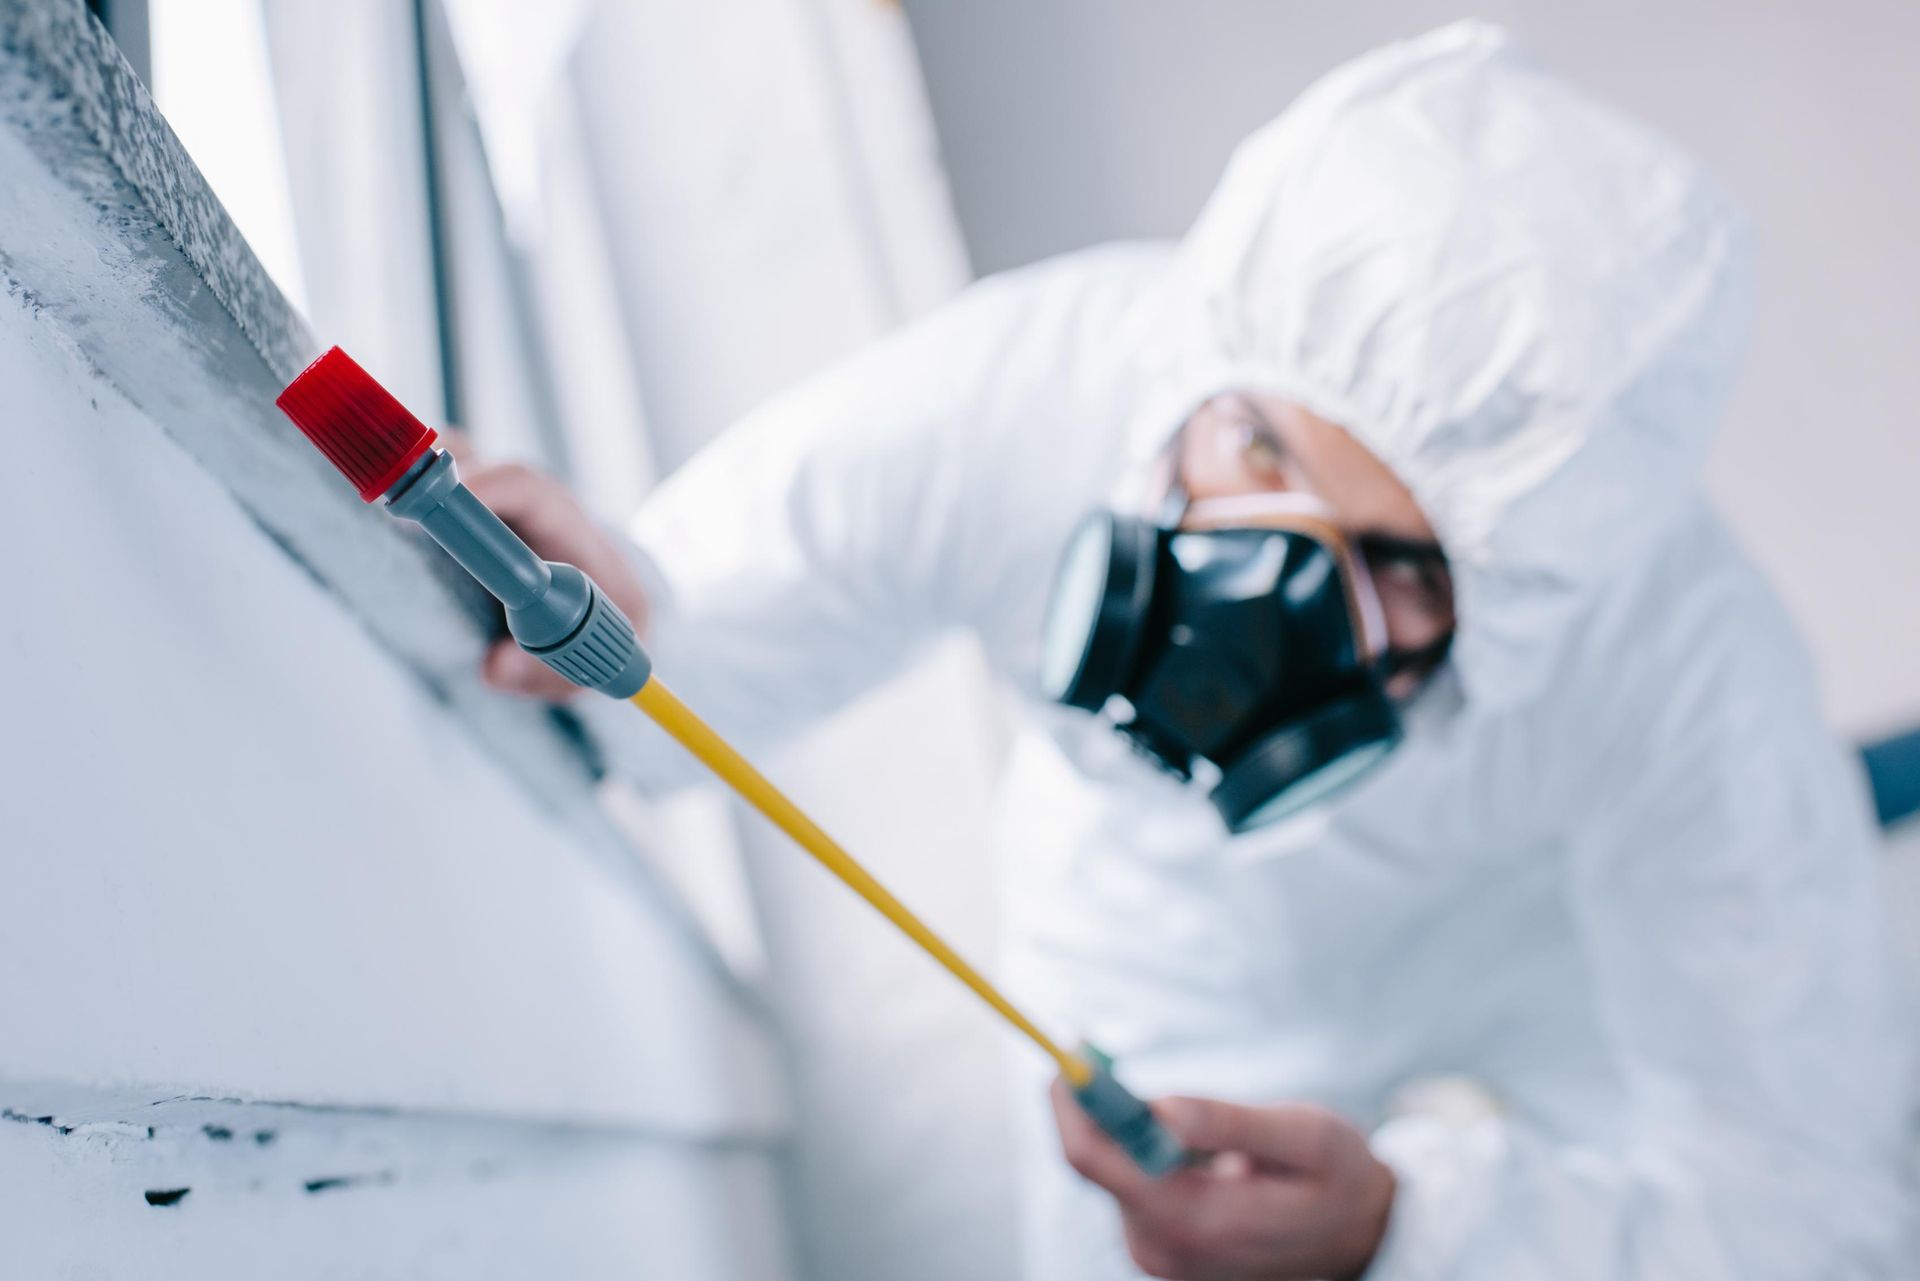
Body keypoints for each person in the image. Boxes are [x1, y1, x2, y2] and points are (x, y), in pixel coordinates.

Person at [466, 22, 1916, 1281]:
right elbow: (691, 635)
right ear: (1199, 360)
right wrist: (598, 607)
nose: (1268, 586)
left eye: (1401, 566)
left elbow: (1801, 1215)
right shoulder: (1044, 385)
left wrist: (1405, 1233)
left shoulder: (1687, 669)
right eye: (1263, 447)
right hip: (1162, 952)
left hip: (1568, 951)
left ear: (1524, 599)